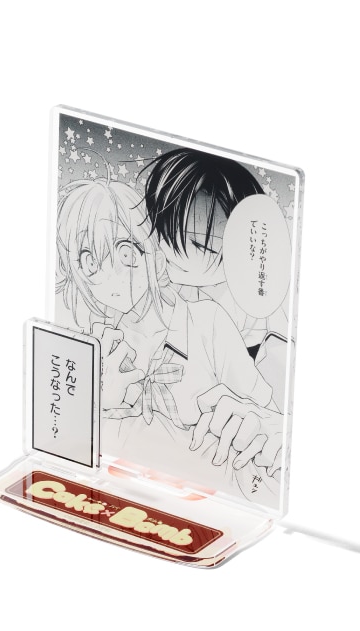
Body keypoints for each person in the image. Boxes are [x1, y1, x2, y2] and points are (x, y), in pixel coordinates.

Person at [56, 177, 283, 502]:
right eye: (90, 261)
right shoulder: (98, 347)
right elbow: (67, 449)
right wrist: (100, 405)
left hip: (222, 497)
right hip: (124, 493)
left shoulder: (206, 322)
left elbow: (265, 419)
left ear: (151, 250)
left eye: (125, 252)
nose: (109, 274)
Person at [143, 148, 288, 360]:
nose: (169, 251)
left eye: (199, 246)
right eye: (165, 233)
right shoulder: (163, 284)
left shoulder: (252, 305)